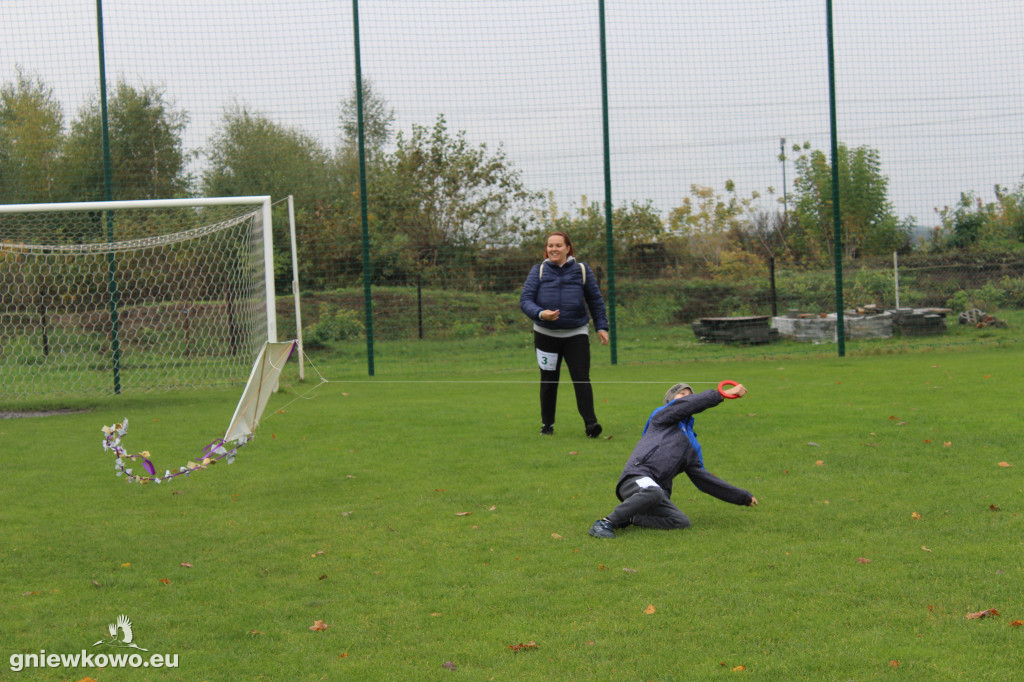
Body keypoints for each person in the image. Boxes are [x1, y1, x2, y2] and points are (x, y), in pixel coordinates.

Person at [588, 381, 757, 538]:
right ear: (670, 401)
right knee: (653, 491)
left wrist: (742, 497)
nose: (687, 397)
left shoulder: (692, 445)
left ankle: (631, 518)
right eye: (681, 394)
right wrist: (721, 394)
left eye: (690, 394)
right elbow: (685, 406)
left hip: (657, 494)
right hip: (636, 478)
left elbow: (704, 480)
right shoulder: (660, 417)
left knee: (681, 522)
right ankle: (604, 523)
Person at [519, 231, 609, 438]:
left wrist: (601, 327)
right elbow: (525, 300)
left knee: (581, 378)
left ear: (568, 248)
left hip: (576, 333)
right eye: (550, 245)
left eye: (558, 245)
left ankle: (591, 424)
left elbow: (595, 300)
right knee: (549, 379)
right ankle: (547, 425)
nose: (553, 249)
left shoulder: (582, 270)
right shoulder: (538, 270)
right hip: (545, 334)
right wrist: (541, 314)